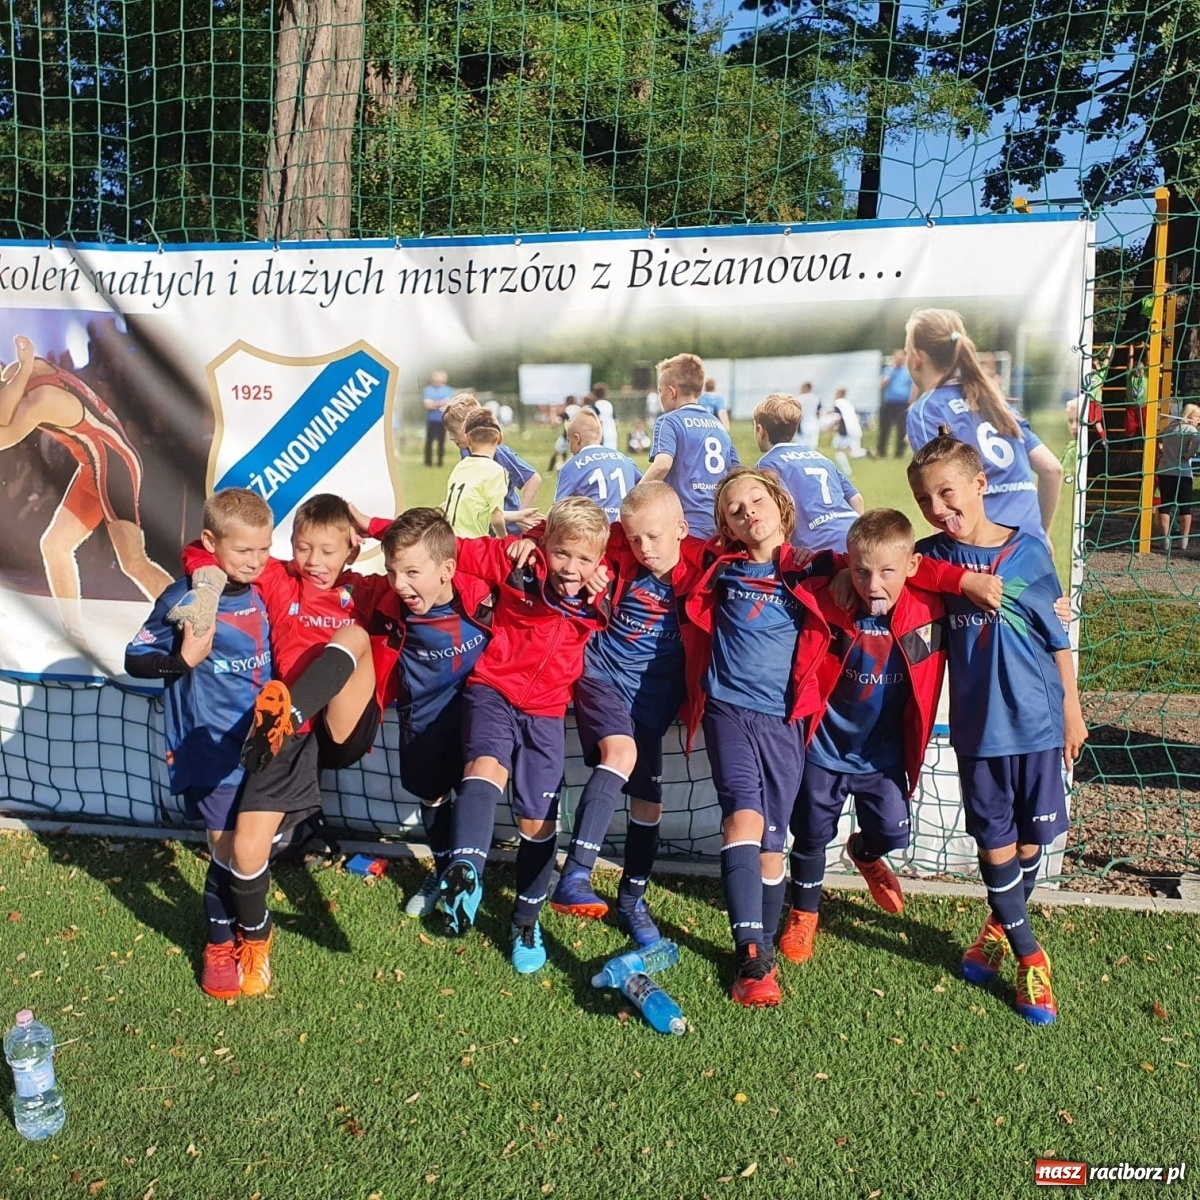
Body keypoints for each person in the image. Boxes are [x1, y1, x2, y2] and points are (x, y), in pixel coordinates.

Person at [908, 435, 1087, 1025]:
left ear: (980, 485)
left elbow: (1057, 637)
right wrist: (961, 583)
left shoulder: (1030, 552)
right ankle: (1031, 956)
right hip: (979, 733)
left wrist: (1072, 712)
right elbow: (900, 561)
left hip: (1037, 726)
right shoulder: (937, 560)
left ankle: (996, 926)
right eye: (925, 499)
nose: (936, 508)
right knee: (995, 844)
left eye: (947, 492)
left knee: (1032, 845)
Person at [174, 494, 382, 997]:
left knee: (355, 635)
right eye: (304, 548)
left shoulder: (365, 590)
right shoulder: (278, 578)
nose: (315, 561)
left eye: (329, 551)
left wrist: (373, 524)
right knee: (245, 850)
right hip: (283, 740)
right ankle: (257, 940)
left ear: (350, 551)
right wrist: (202, 596)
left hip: (341, 722)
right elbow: (201, 554)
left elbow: (425, 553)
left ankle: (288, 711)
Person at [435, 497, 611, 974]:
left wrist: (604, 577)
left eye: (583, 559)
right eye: (561, 553)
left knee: (538, 823)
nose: (570, 567)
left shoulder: (601, 589)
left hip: (548, 711)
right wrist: (371, 526)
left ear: (599, 559)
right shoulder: (518, 562)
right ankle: (465, 870)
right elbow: (447, 546)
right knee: (484, 767)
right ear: (545, 544)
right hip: (493, 688)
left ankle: (525, 920)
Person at [780, 509, 955, 964]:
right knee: (811, 838)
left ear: (910, 568)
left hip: (883, 758)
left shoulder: (929, 608)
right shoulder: (831, 597)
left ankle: (864, 851)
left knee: (894, 835)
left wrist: (1044, 603)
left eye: (886, 572)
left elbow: (963, 575)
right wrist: (838, 569)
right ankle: (803, 914)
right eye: (861, 570)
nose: (872, 583)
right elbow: (790, 564)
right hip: (825, 750)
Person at [684, 468, 831, 1008]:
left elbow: (883, 567)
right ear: (726, 525)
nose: (749, 512)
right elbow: (640, 540)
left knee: (773, 849)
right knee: (741, 818)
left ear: (780, 504)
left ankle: (763, 948)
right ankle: (749, 955)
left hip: (785, 724)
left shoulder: (814, 571)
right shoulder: (718, 569)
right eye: (735, 509)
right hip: (729, 712)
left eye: (757, 500)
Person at [125, 488, 274, 999]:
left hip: (262, 751)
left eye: (263, 549)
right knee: (228, 853)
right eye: (243, 552)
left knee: (247, 854)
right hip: (209, 754)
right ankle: (219, 943)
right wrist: (182, 661)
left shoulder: (266, 590)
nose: (255, 562)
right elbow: (135, 658)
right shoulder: (184, 599)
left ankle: (250, 934)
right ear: (211, 542)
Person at [545, 482, 708, 945]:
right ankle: (575, 875)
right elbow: (568, 534)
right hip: (602, 678)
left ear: (681, 529)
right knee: (619, 753)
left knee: (649, 803)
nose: (644, 548)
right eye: (635, 538)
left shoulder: (703, 567)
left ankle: (632, 898)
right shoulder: (619, 554)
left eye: (654, 537)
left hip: (653, 702)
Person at [357, 509, 497, 916]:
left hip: (478, 723)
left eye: (412, 572)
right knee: (433, 797)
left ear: (446, 569)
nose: (399, 584)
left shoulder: (484, 596)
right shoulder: (386, 603)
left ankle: (472, 869)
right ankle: (441, 870)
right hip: (420, 723)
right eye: (391, 572)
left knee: (477, 793)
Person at [0, 333, 172, 643]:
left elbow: (4, 433)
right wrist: (24, 366)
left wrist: (21, 371)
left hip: (113, 464)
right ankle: (74, 634)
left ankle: (193, 624)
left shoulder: (40, 399)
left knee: (134, 562)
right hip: (95, 463)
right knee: (54, 545)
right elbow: (6, 403)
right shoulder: (23, 370)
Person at [903, 308, 1064, 550]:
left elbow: (940, 493)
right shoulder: (992, 401)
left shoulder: (926, 410)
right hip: (1031, 550)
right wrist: (1041, 533)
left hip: (984, 556)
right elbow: (1052, 469)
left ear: (916, 357)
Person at [642, 352, 739, 539]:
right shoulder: (718, 426)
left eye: (660, 391)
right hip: (719, 529)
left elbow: (662, 465)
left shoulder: (668, 421)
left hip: (687, 529)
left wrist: (633, 498)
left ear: (672, 392)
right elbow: (736, 474)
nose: (661, 396)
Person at [753, 393, 863, 554]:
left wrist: (787, 550)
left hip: (819, 546)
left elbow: (785, 503)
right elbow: (856, 499)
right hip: (854, 535)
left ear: (760, 430)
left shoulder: (768, 463)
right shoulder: (818, 456)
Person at [443, 394, 542, 533]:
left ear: (469, 426)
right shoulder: (466, 452)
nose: (451, 437)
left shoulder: (498, 452)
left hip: (507, 531)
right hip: (482, 530)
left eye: (453, 430)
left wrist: (521, 516)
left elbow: (533, 479)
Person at [553, 410, 643, 523]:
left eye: (569, 441)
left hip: (594, 533)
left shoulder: (571, 467)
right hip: (626, 531)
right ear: (599, 437)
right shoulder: (626, 461)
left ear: (577, 438)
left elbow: (557, 512)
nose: (569, 447)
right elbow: (645, 486)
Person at [441, 410, 509, 537]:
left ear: (467, 439)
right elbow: (496, 518)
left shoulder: (460, 466)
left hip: (449, 540)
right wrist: (504, 539)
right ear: (500, 438)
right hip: (472, 544)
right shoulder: (496, 471)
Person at [1156, 403, 1200, 553]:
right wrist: (1188, 455)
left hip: (1165, 470)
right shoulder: (1191, 429)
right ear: (1189, 416)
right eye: (1197, 417)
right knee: (1185, 507)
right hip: (1183, 472)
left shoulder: (1170, 427)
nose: (1198, 421)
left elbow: (1159, 438)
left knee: (1165, 505)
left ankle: (1165, 539)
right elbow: (1197, 440)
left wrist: (1162, 452)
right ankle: (1184, 540)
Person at [877, 349, 913, 458]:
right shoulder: (888, 370)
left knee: (901, 429)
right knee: (884, 427)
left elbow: (913, 387)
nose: (899, 360)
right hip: (889, 402)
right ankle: (881, 451)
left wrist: (912, 401)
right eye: (897, 358)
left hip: (902, 403)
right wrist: (891, 371)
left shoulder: (908, 372)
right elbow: (882, 384)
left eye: (901, 358)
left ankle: (899, 453)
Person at [825, 387, 869, 474]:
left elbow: (837, 417)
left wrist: (830, 427)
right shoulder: (848, 403)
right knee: (852, 453)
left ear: (839, 394)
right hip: (855, 428)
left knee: (838, 451)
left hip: (845, 430)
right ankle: (865, 452)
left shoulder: (837, 403)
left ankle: (846, 472)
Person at [423, 370, 455, 468]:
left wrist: (434, 404)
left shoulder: (448, 389)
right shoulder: (428, 390)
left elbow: (447, 403)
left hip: (442, 419)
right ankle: (428, 462)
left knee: (441, 441)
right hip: (431, 419)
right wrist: (440, 403)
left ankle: (440, 461)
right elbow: (427, 405)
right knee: (429, 441)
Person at [592, 384, 619, 450]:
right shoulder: (609, 404)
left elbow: (598, 420)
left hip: (602, 432)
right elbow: (615, 420)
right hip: (612, 431)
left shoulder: (595, 405)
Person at [796, 382, 821, 451]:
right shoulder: (817, 398)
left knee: (801, 448)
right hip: (814, 424)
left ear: (806, 388)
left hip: (803, 424)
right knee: (812, 448)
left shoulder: (799, 398)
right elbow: (819, 412)